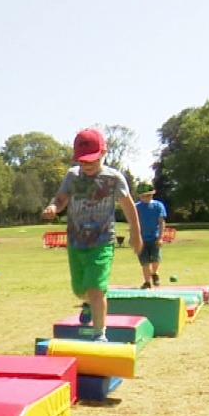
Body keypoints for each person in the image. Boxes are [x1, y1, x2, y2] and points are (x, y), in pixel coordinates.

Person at [41, 128, 143, 342]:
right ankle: (87, 303)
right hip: (76, 241)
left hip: (102, 241)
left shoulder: (113, 178)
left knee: (96, 288)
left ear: (103, 153)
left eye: (92, 160)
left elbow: (128, 204)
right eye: (82, 161)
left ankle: (100, 334)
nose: (87, 165)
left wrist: (135, 232)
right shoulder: (72, 176)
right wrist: (53, 207)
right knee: (80, 290)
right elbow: (61, 198)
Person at [133, 181, 168, 287]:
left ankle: (154, 273)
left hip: (154, 238)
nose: (146, 198)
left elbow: (161, 222)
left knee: (156, 259)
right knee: (145, 262)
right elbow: (133, 223)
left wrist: (160, 237)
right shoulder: (136, 207)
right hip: (141, 239)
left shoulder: (158, 206)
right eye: (144, 196)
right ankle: (147, 282)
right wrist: (133, 238)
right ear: (140, 196)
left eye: (149, 195)